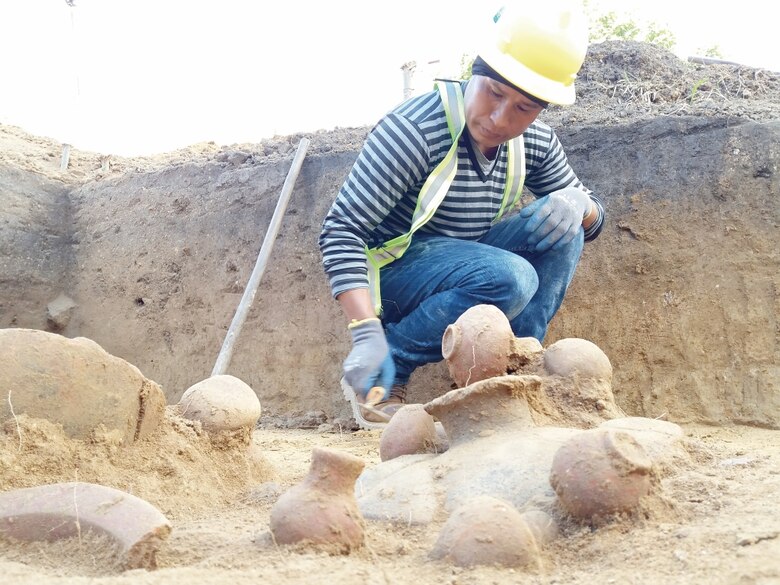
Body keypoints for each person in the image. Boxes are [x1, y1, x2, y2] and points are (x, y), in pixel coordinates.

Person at [318, 0, 605, 428]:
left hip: (468, 269)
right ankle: (384, 367)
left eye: (523, 109)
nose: (499, 119)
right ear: (475, 70)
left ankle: (513, 375)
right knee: (512, 277)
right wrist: (365, 331)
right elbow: (341, 230)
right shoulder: (415, 131)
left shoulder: (537, 143)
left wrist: (581, 204)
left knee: (563, 222)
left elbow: (592, 220)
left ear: (543, 109)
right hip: (395, 279)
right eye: (494, 93)